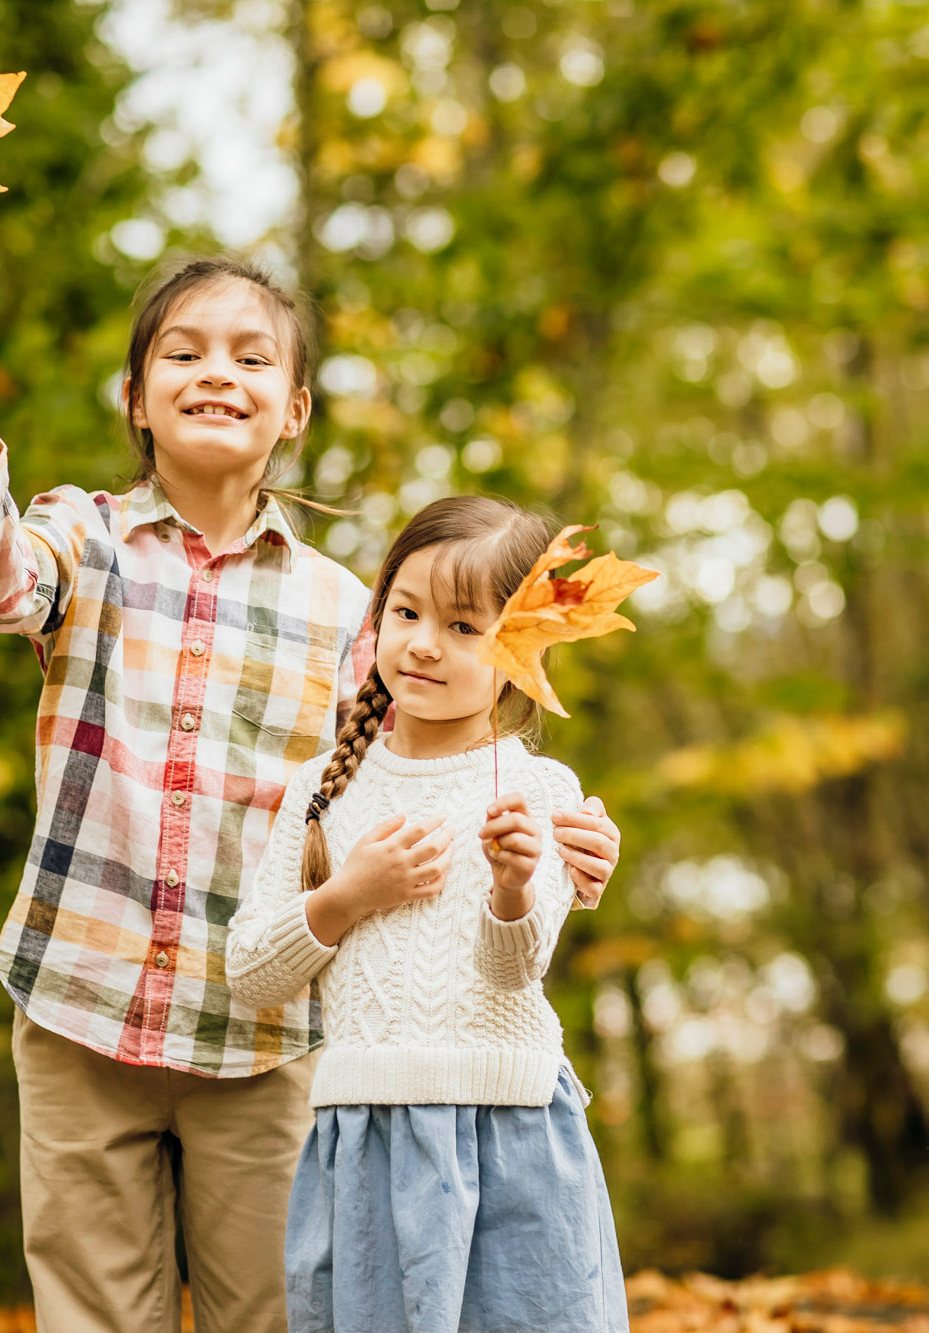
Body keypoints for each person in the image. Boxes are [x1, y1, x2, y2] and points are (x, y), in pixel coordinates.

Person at [0, 256, 623, 1333]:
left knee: (274, 1312)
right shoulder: (82, 539)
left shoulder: (346, 610)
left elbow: (434, 756)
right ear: (135, 397)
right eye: (182, 352)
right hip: (83, 1001)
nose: (214, 373)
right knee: (93, 1313)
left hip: (266, 1044)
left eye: (249, 356)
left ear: (294, 410)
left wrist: (558, 826)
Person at [225, 495, 628, 1333]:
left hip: (513, 1135)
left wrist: (513, 886)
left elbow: (516, 971)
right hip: (365, 1142)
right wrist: (346, 897)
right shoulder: (323, 789)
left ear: (520, 649)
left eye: (464, 626)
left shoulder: (541, 792)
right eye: (405, 611)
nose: (423, 643)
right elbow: (251, 971)